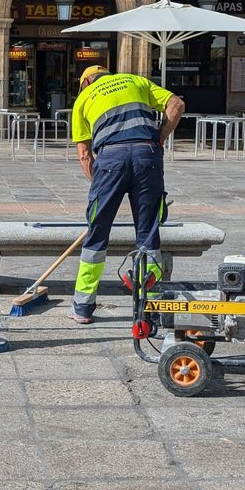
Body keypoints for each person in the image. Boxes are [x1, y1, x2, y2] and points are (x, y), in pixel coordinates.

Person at [69, 65, 185, 324]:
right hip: (147, 155)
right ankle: (150, 307)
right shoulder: (136, 80)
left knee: (97, 233)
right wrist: (160, 137)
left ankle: (82, 307)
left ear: (86, 82)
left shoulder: (84, 98)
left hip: (110, 159)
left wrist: (100, 186)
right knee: (148, 233)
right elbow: (177, 104)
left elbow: (84, 155)